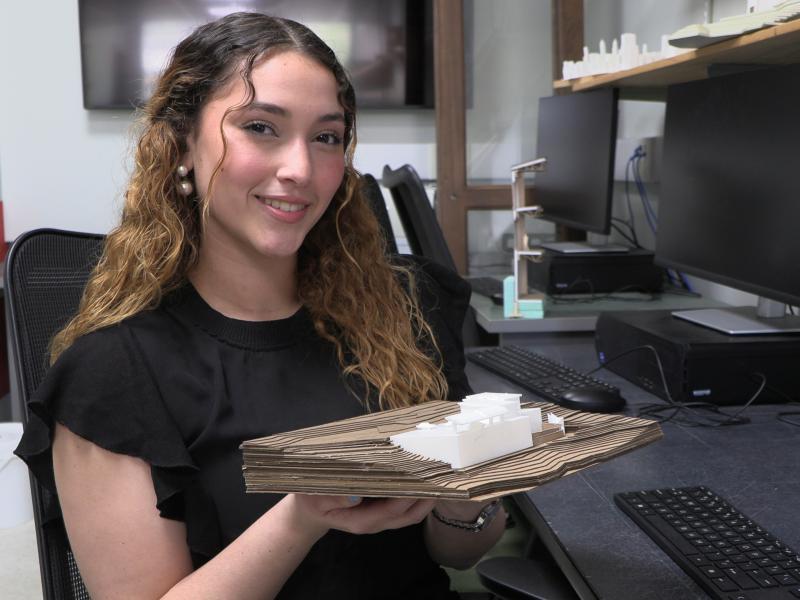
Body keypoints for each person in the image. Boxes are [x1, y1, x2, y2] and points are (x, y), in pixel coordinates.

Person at [15, 12, 507, 600]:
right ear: (181, 145)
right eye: (260, 127)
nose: (300, 170)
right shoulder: (114, 374)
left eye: (326, 137)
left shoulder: (405, 309)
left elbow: (455, 551)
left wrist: (471, 495)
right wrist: (302, 516)